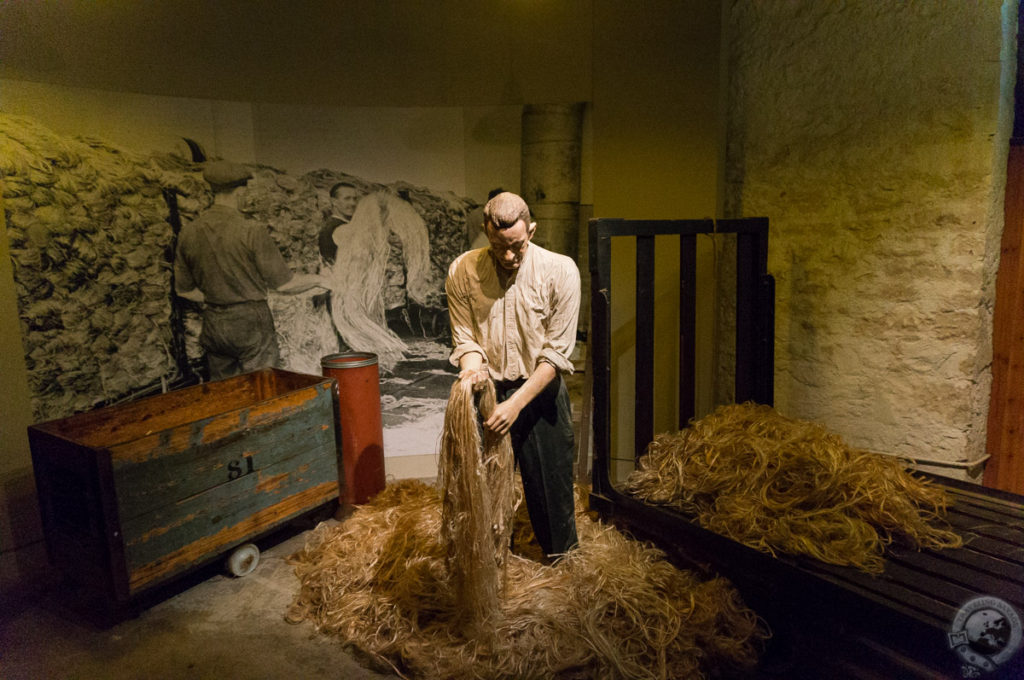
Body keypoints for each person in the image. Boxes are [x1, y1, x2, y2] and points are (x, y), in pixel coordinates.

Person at [446, 191, 581, 561]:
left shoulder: (560, 270)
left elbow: (556, 354)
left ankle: (562, 564)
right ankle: (488, 564)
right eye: (498, 246)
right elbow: (465, 337)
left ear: (532, 231)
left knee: (551, 490)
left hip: (540, 395)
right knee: (480, 490)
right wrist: (473, 375)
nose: (507, 256)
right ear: (486, 232)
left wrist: (516, 404)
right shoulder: (463, 270)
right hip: (487, 392)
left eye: (516, 246)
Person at [175, 160, 328, 380]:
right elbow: (284, 284)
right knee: (262, 389)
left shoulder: (188, 232)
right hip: (250, 322)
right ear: (240, 192)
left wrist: (219, 296)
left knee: (225, 392)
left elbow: (184, 290)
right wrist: (319, 279)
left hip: (214, 323)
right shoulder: (251, 230)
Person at [318, 181, 363, 265]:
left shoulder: (330, 224)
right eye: (347, 198)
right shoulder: (338, 228)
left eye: (355, 199)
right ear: (334, 201)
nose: (353, 203)